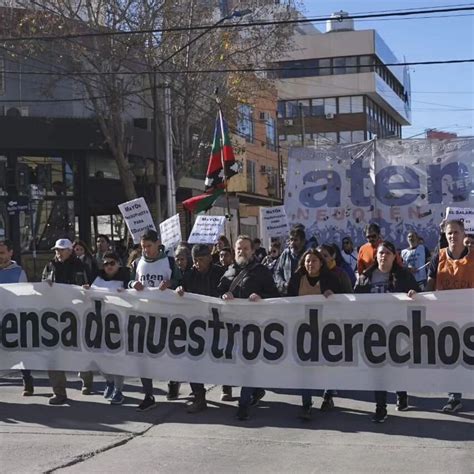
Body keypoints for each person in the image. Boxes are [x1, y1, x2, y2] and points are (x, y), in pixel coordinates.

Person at [354, 240, 420, 423]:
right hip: (373, 330)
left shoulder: (404, 276)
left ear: (394, 257)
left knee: (396, 365)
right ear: (376, 256)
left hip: (397, 329)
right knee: (379, 370)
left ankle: (401, 392)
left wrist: (413, 294)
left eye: (387, 253)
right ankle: (380, 407)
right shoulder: (366, 276)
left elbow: (419, 294)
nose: (383, 256)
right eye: (381, 253)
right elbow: (354, 300)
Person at [218, 235, 280, 421]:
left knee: (248, 365)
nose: (241, 252)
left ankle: (243, 404)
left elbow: (275, 294)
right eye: (238, 248)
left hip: (255, 327)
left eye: (245, 248)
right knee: (237, 365)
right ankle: (257, 389)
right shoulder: (229, 271)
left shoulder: (261, 271)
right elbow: (217, 293)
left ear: (252, 251)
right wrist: (223, 296)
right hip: (232, 328)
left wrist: (261, 297)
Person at [288, 248, 352, 420]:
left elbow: (343, 301)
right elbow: (287, 300)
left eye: (314, 261)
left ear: (321, 263)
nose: (311, 264)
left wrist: (333, 295)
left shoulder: (330, 279)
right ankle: (306, 405)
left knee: (327, 365)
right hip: (302, 330)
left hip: (326, 329)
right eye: (307, 261)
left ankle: (328, 395)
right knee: (305, 368)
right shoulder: (296, 280)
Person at [129, 229, 182, 411]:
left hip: (167, 316)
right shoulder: (137, 263)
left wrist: (171, 284)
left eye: (149, 246)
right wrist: (131, 284)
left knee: (169, 353)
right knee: (144, 357)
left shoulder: (169, 262)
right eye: (143, 247)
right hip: (144, 316)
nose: (146, 250)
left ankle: (173, 380)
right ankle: (148, 394)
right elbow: (127, 283)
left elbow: (180, 280)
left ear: (158, 243)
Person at [426, 220, 474, 413]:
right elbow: (429, 285)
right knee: (452, 359)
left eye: (456, 232)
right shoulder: (438, 257)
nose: (452, 236)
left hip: (470, 316)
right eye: (449, 233)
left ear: (464, 235)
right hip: (446, 318)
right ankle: (454, 397)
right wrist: (418, 296)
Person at [175, 244, 226, 411]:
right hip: (196, 326)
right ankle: (198, 396)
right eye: (195, 260)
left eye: (201, 260)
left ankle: (229, 386)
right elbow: (180, 289)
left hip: (219, 324)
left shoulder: (220, 273)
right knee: (192, 361)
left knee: (226, 358)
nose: (198, 264)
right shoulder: (189, 275)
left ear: (210, 259)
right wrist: (179, 289)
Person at [42, 238, 91, 405]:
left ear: (70, 251)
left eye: (62, 250)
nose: (58, 252)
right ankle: (59, 392)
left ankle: (86, 378)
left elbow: (90, 287)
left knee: (80, 350)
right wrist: (45, 285)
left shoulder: (80, 266)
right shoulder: (49, 266)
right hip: (54, 316)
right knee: (53, 355)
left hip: (76, 315)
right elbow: (43, 287)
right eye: (57, 249)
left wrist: (86, 289)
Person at [84, 251, 131, 405]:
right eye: (105, 263)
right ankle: (109, 382)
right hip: (98, 324)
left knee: (116, 358)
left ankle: (118, 390)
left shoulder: (126, 278)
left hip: (118, 325)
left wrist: (128, 293)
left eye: (112, 263)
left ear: (119, 264)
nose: (108, 266)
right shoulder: (97, 278)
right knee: (98, 357)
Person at [0, 239, 33, 396]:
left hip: (12, 319)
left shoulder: (18, 272)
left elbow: (24, 296)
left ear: (10, 253)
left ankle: (27, 379)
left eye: (2, 253)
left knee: (19, 351)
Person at [274, 227, 307, 295]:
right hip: (286, 293)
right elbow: (277, 271)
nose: (292, 242)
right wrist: (282, 284)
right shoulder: (285, 253)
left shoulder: (308, 255)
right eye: (291, 240)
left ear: (303, 242)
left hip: (303, 293)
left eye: (295, 240)